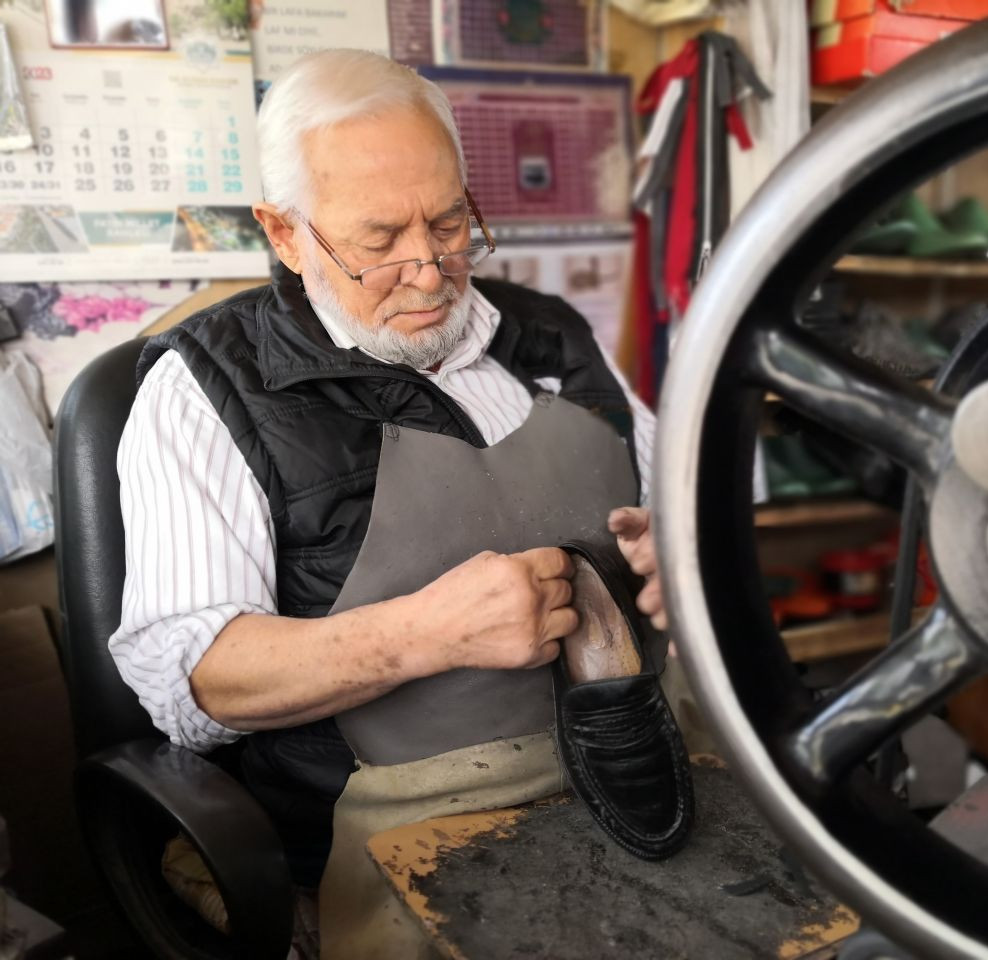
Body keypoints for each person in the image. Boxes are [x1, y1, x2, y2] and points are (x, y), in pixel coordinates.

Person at [108, 48, 668, 956]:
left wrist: (673, 556)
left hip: (639, 767)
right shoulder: (208, 387)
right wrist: (422, 636)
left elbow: (674, 508)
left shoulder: (551, 335)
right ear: (285, 233)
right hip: (404, 828)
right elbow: (194, 677)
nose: (428, 267)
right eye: (379, 239)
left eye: (448, 222)